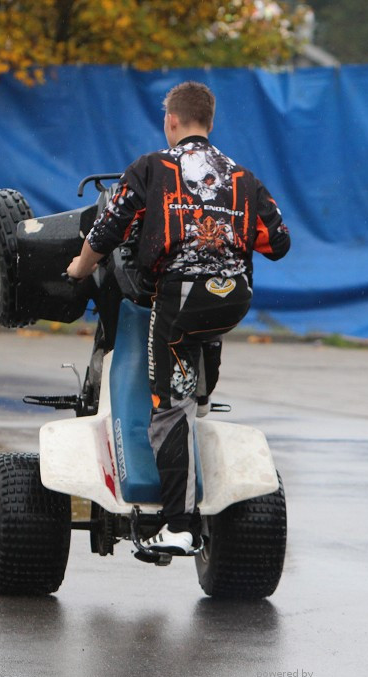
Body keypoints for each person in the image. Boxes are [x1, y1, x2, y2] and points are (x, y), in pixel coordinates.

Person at [65, 81, 291, 555]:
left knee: (167, 411)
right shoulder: (242, 177)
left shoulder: (153, 167)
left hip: (180, 300)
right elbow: (278, 242)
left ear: (171, 121)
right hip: (233, 300)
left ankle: (179, 525)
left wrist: (78, 269)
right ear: (210, 123)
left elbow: (107, 231)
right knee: (195, 363)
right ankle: (200, 394)